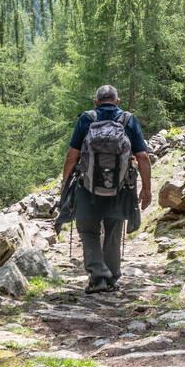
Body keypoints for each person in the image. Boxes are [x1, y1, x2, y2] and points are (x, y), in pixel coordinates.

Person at [60, 85, 152, 293]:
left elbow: (72, 156)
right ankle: (111, 279)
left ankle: (98, 277)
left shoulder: (86, 119)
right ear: (117, 101)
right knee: (113, 230)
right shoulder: (128, 120)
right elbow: (143, 157)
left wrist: (64, 185)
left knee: (88, 231)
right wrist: (146, 189)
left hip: (87, 187)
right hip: (120, 188)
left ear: (96, 102)